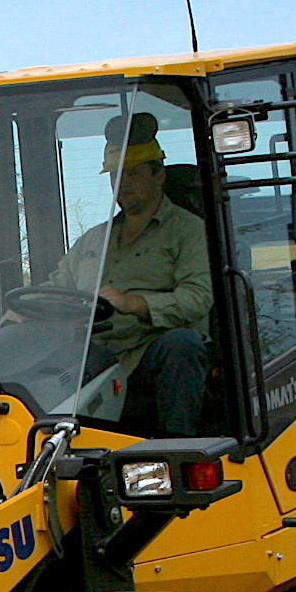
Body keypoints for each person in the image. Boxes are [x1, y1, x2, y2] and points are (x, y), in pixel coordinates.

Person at [50, 113, 213, 435]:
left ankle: (177, 449)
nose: (122, 183)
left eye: (133, 173)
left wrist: (132, 303)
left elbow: (198, 298)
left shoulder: (188, 230)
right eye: (115, 175)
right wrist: (17, 314)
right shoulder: (94, 239)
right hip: (91, 360)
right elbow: (57, 286)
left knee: (183, 344)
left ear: (159, 176)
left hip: (149, 357)